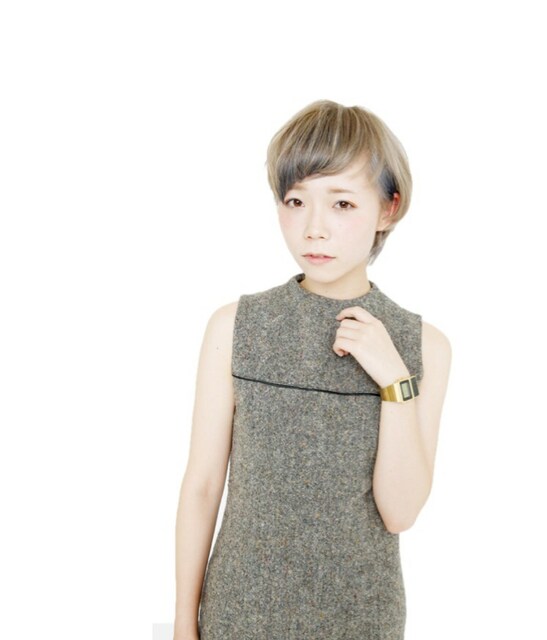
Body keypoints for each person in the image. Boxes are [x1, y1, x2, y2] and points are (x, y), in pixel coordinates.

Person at [173, 99, 452, 640]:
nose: (314, 228)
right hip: (238, 618)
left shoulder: (424, 347)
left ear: (388, 209)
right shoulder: (236, 326)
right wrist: (185, 623)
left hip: (363, 622)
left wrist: (394, 379)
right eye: (296, 201)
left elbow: (399, 513)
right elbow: (203, 486)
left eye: (342, 203)